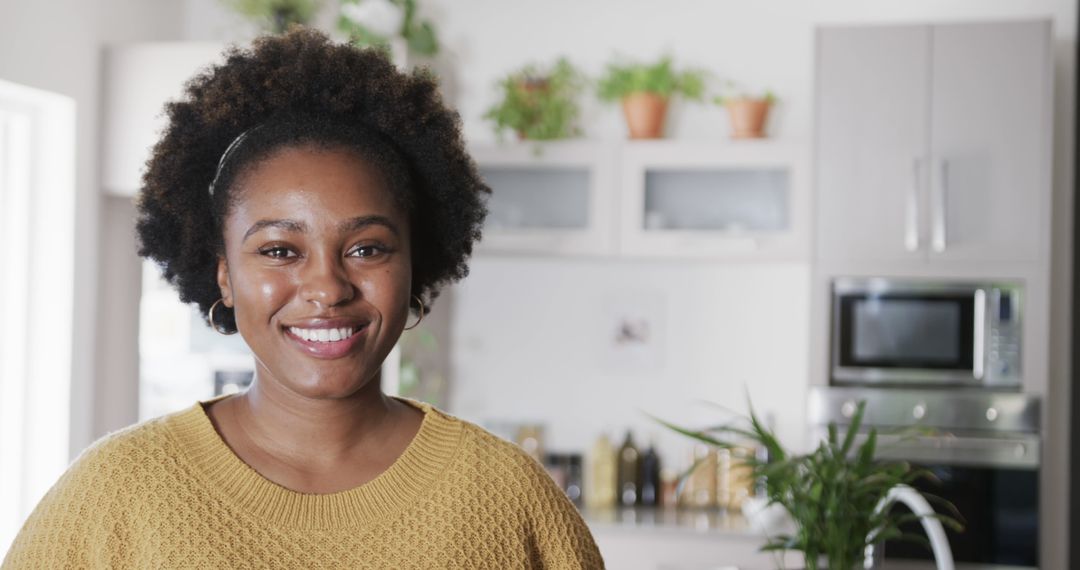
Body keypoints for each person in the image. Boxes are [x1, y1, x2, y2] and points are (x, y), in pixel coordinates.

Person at [2, 28, 604, 569]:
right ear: (223, 277)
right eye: (280, 251)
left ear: (415, 263)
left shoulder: (508, 497)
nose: (327, 289)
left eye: (367, 249)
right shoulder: (115, 493)